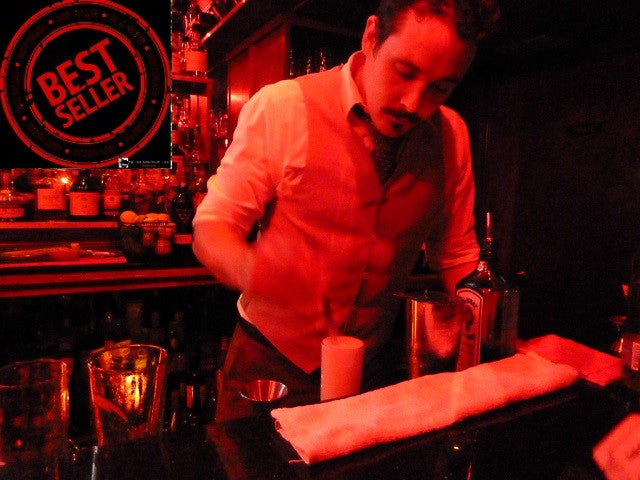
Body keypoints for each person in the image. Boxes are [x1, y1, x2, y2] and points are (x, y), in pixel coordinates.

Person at [192, 0, 500, 421]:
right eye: (404, 72)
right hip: (271, 364)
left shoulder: (452, 137)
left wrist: (484, 344)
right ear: (371, 36)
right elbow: (213, 226)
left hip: (371, 368)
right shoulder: (283, 107)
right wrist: (253, 270)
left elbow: (457, 253)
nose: (414, 103)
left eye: (440, 88)